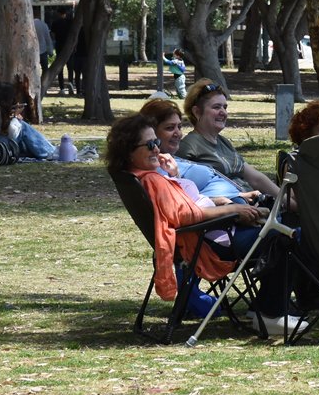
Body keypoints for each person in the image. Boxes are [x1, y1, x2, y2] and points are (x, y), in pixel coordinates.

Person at [105, 114, 305, 336]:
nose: (156, 149)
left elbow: (181, 206)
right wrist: (233, 210)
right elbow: (184, 216)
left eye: (157, 143)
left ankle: (265, 309)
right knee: (284, 236)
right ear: (129, 150)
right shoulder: (152, 180)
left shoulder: (139, 176)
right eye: (150, 144)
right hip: (207, 244)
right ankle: (270, 313)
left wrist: (176, 176)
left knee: (275, 230)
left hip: (205, 236)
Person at [140, 99, 259, 204]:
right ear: (151, 133)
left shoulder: (170, 160)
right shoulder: (158, 168)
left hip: (239, 201)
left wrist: (239, 196)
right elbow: (182, 206)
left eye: (179, 127)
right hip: (227, 217)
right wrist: (224, 203)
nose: (178, 133)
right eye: (170, 128)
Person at [176, 80, 282, 197]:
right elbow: (187, 192)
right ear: (197, 112)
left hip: (253, 204)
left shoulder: (223, 142)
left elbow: (256, 179)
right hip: (233, 210)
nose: (223, 113)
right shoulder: (188, 146)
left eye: (225, 107)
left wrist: (287, 200)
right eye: (216, 107)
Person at [0, 82, 56, 160]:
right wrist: (15, 117)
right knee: (22, 126)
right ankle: (50, 152)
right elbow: (12, 134)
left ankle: (47, 150)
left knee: (23, 143)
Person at [49, 9, 73, 94]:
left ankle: (62, 88)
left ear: (59, 13)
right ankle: (70, 83)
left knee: (60, 68)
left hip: (59, 46)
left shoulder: (55, 23)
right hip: (68, 46)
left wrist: (55, 40)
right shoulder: (70, 22)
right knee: (70, 67)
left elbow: (52, 34)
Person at [33, 13, 53, 80]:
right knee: (45, 69)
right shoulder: (44, 25)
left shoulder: (30, 25)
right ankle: (43, 83)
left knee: (34, 70)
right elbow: (48, 39)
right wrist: (50, 51)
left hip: (33, 52)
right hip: (43, 51)